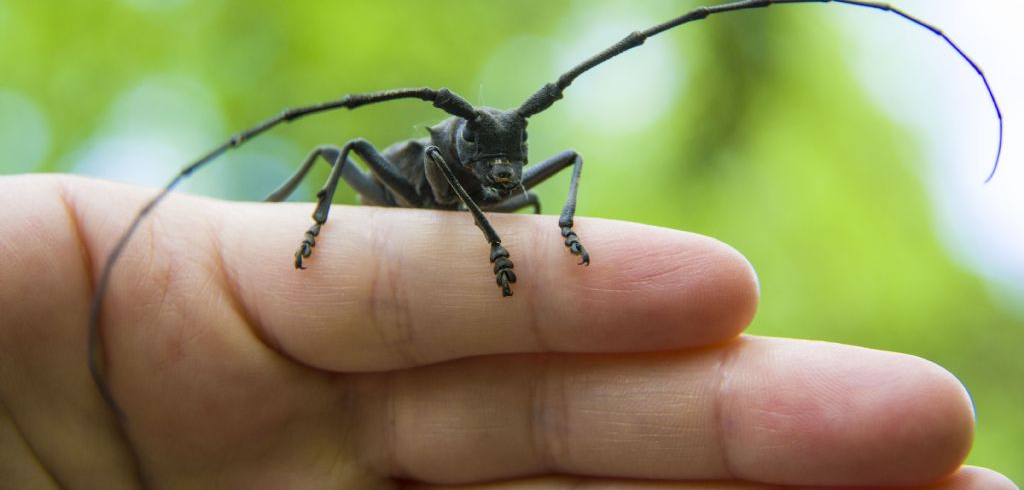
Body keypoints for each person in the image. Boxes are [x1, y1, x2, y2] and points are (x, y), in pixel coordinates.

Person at [0, 174, 1016, 489]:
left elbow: (539, 174)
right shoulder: (424, 164)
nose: (504, 153)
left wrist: (555, 225)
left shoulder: (512, 163)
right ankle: (296, 210)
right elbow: (364, 155)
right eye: (485, 145)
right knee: (340, 142)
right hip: (378, 208)